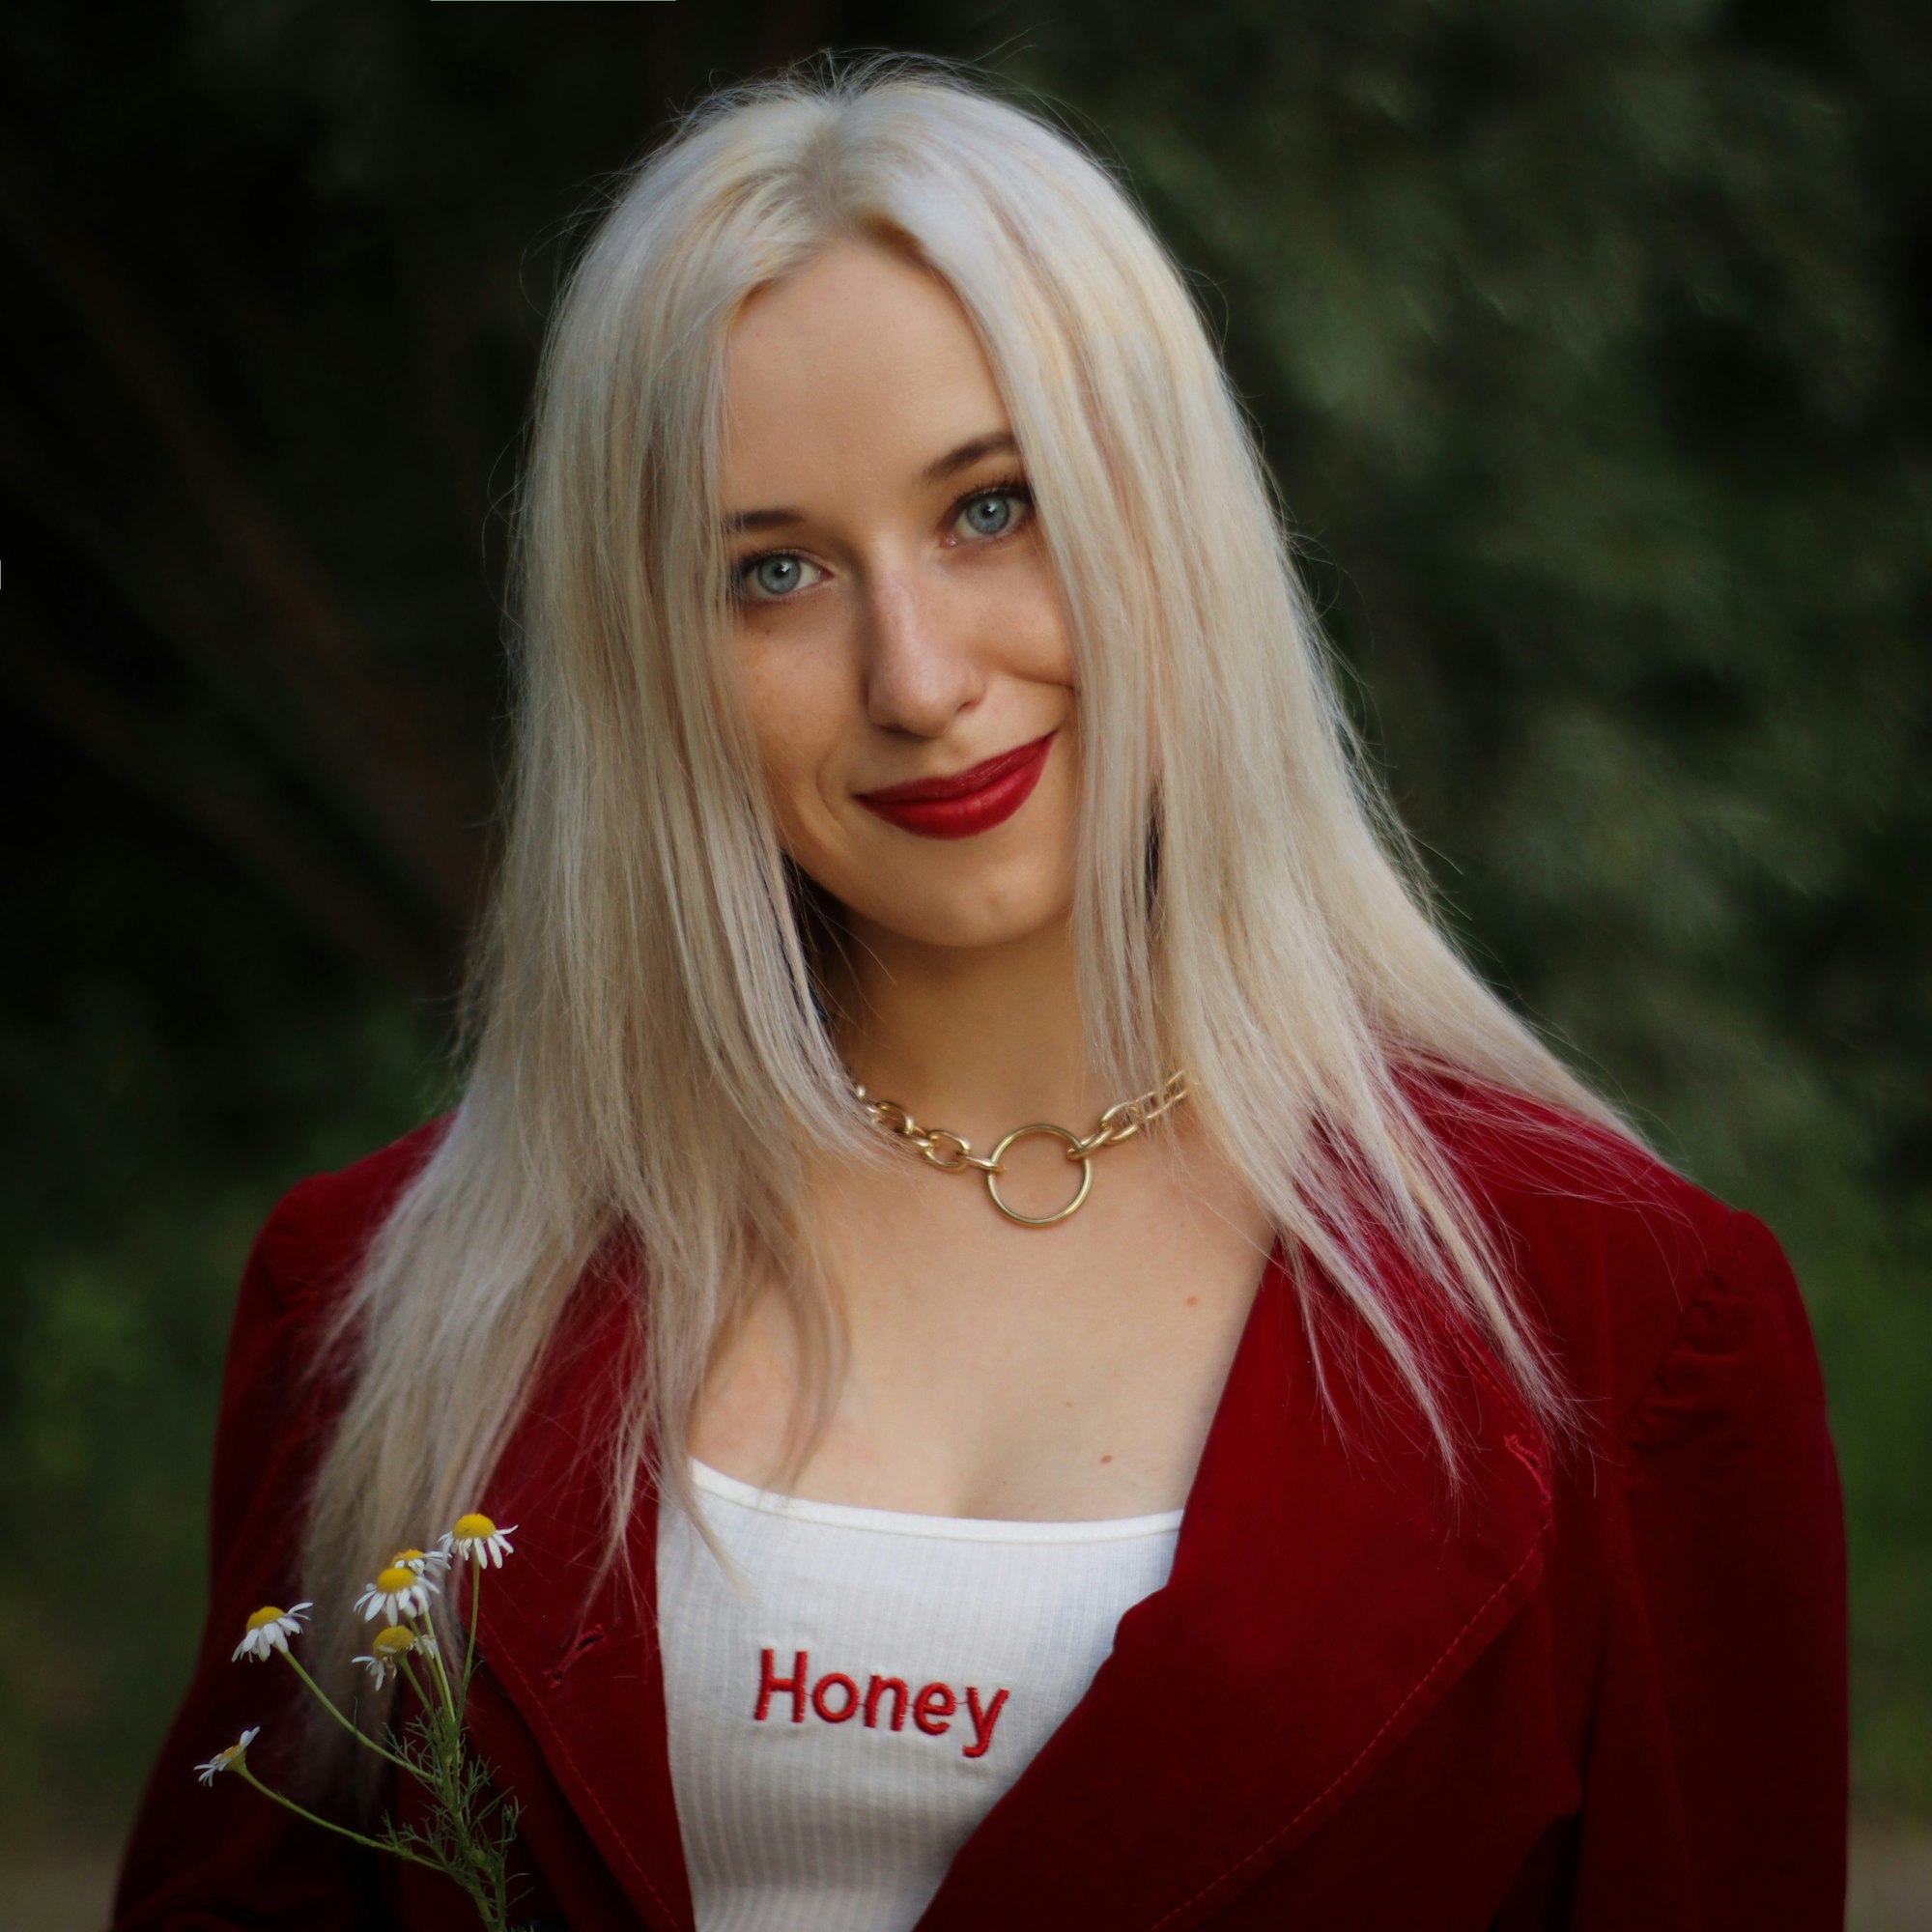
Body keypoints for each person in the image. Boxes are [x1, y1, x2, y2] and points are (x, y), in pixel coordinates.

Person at [113, 52, 1848, 1932]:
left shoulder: (1622, 1328)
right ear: (649, 672)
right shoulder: (394, 1304)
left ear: (1165, 524)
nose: (917, 674)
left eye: (991, 507)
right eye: (771, 571)